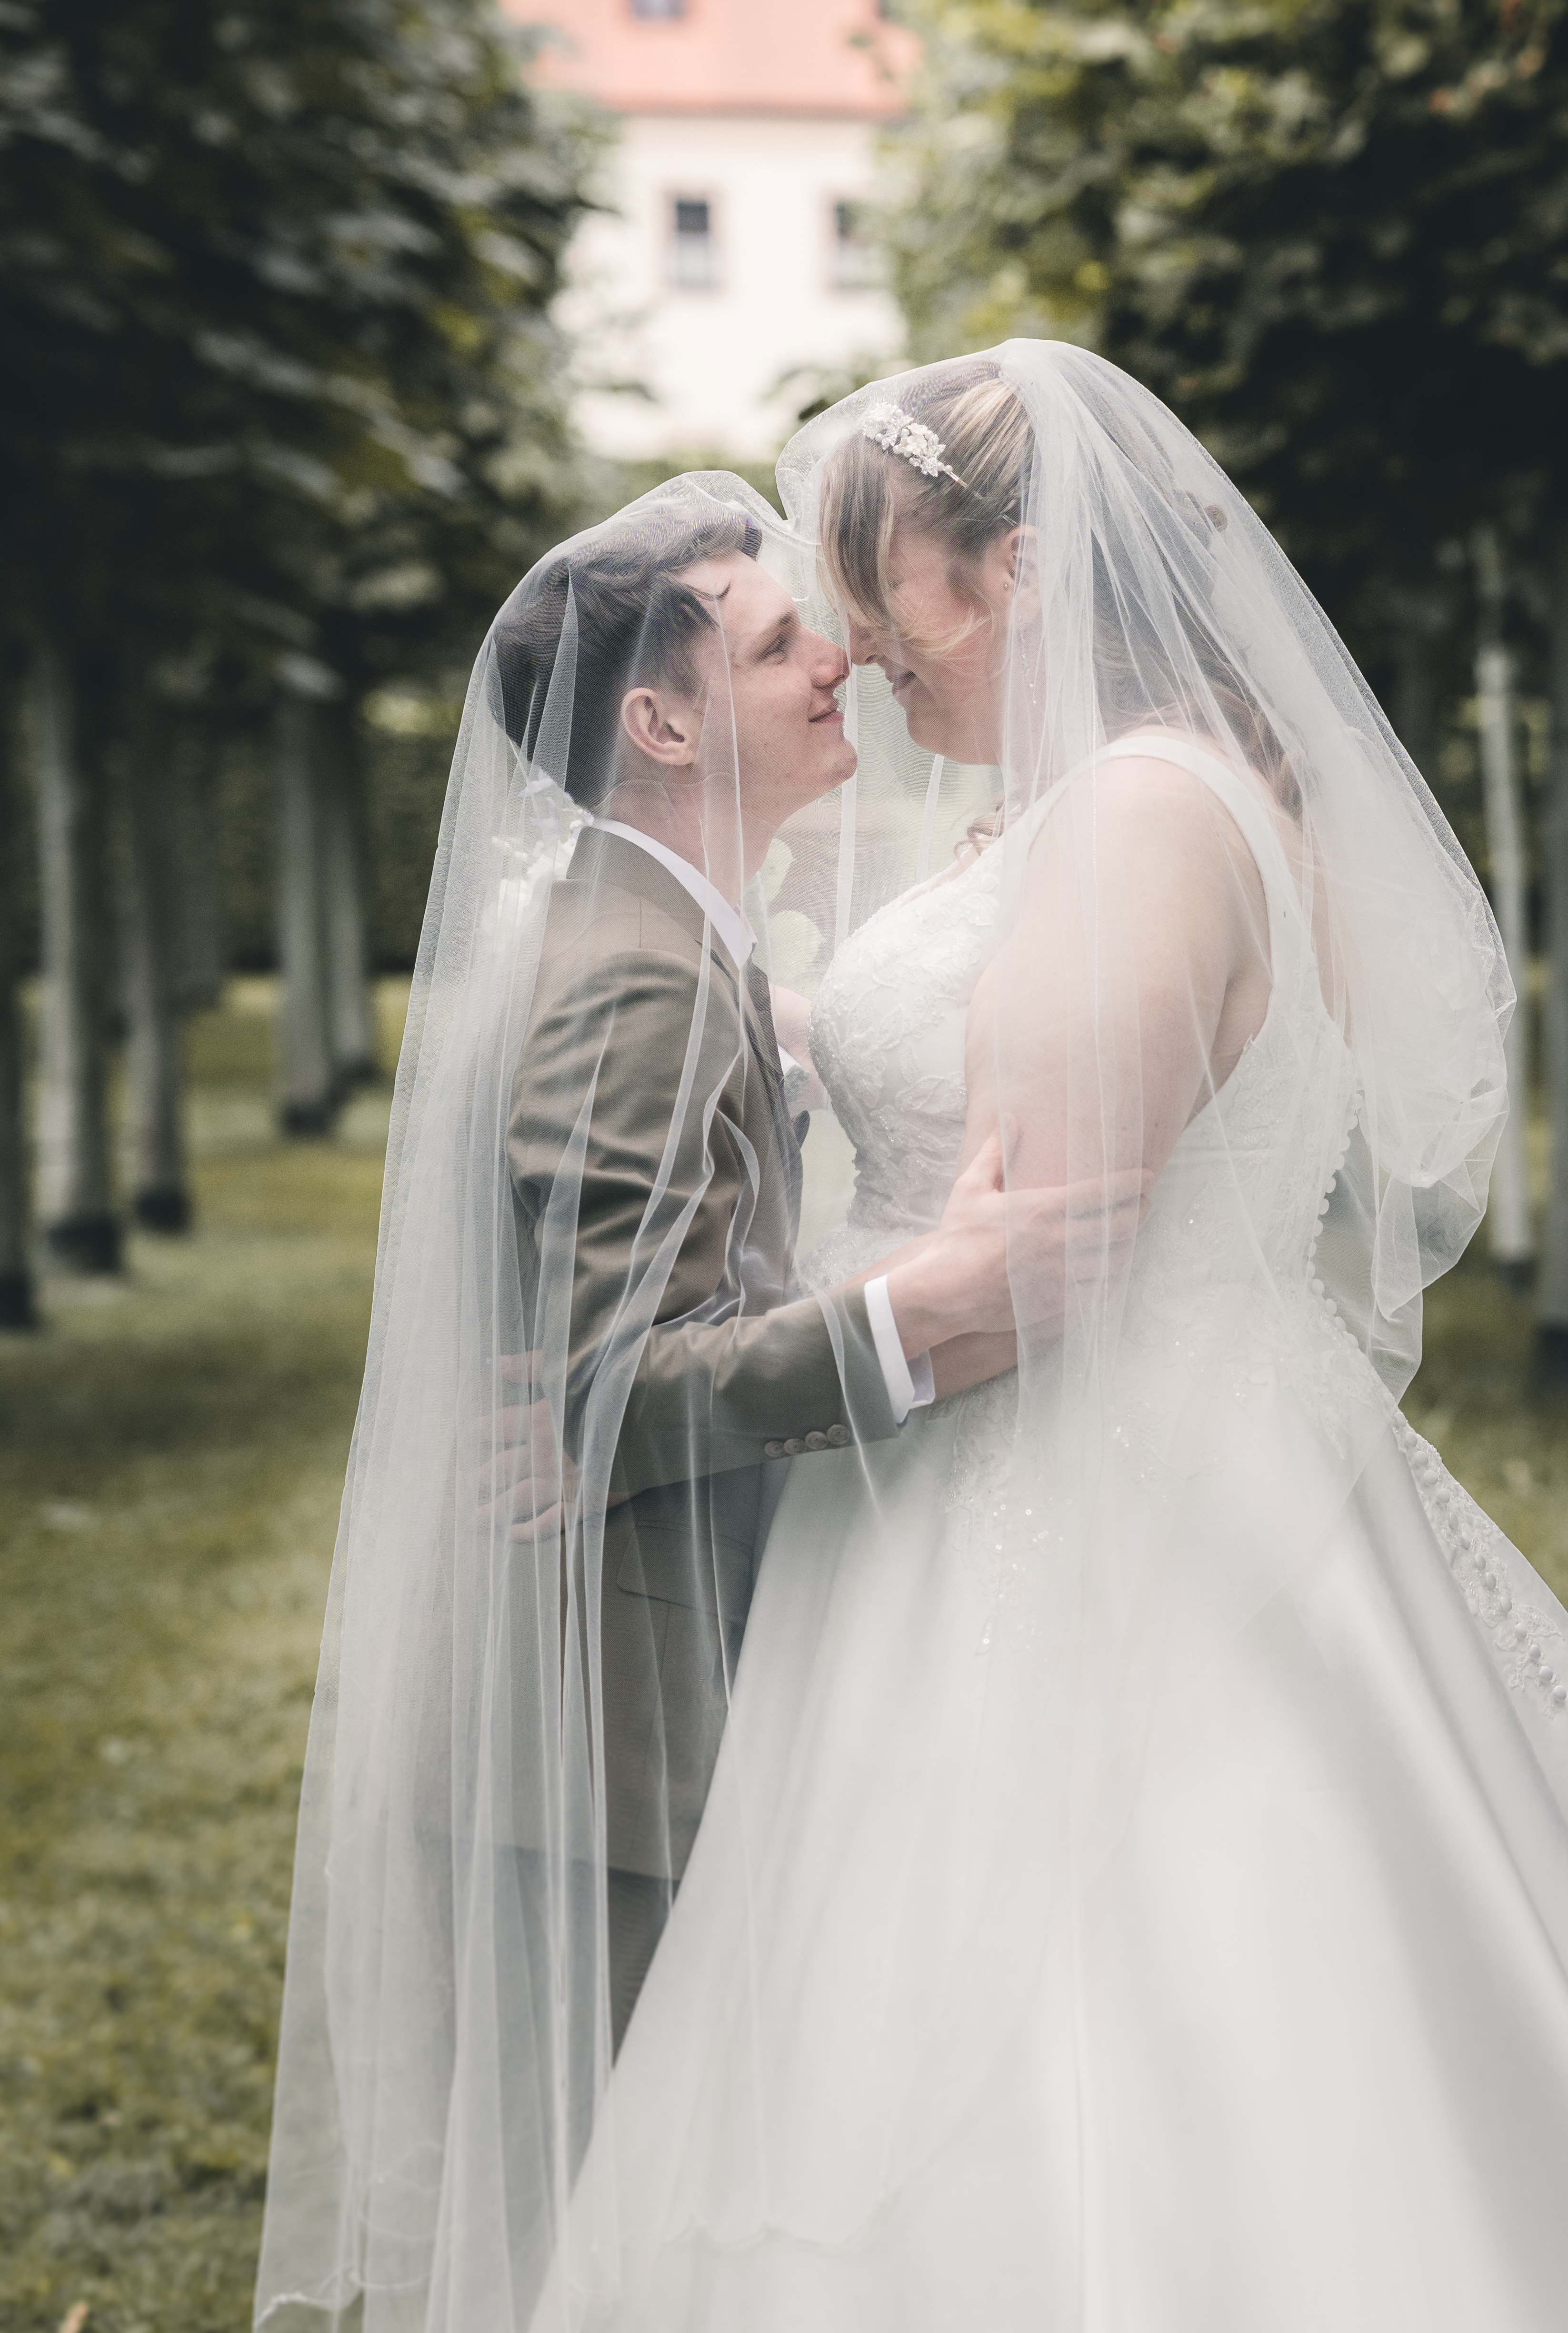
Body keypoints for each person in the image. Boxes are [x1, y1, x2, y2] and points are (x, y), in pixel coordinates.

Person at [536, 349, 1568, 2333]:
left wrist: (830, 1297)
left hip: (1078, 1477)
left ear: (1023, 570)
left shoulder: (1134, 812)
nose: (865, 649)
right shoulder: (1098, 801)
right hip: (1050, 1454)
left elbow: (1043, 1232)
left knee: (1150, 1981)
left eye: (890, 593)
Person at [255, 482, 1128, 2333]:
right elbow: (604, 1382)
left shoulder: (657, 933)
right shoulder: (632, 978)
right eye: (772, 640)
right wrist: (924, 1310)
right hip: (609, 1750)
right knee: (605, 2243)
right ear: (660, 718)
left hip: (629, 1698)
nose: (840, 656)